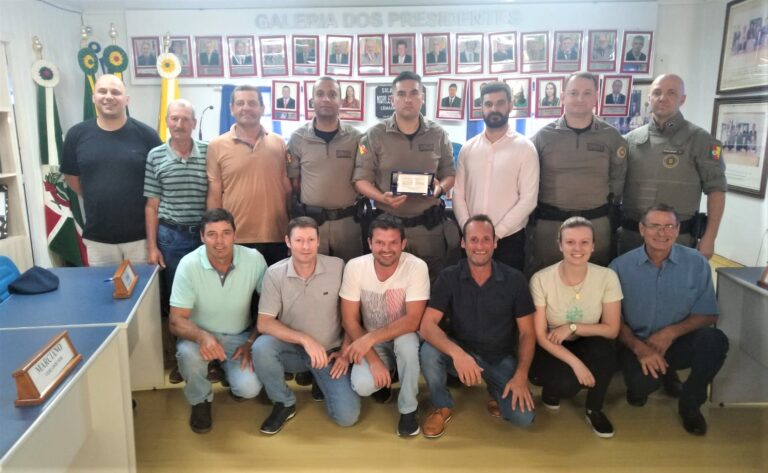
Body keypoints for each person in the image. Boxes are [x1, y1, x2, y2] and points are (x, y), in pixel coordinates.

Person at [610, 204, 728, 436]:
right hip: (638, 344)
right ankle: (660, 376)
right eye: (654, 226)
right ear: (642, 229)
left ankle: (690, 405)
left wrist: (670, 333)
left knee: (715, 340)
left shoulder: (697, 263)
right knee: (640, 388)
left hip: (678, 342)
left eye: (668, 226)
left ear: (678, 229)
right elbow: (614, 321)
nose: (662, 233)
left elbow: (709, 314)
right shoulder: (619, 267)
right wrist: (640, 348)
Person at [419, 215, 536, 438]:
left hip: (498, 357)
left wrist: (521, 376)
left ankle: (495, 391)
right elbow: (427, 326)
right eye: (473, 240)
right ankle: (442, 405)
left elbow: (527, 334)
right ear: (463, 243)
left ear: (495, 242)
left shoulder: (515, 280)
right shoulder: (449, 276)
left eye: (485, 239)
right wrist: (458, 354)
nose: (480, 246)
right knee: (429, 351)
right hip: (460, 353)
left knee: (523, 418)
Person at [251, 217, 360, 434]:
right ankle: (283, 402)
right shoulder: (274, 273)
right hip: (291, 349)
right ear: (288, 242)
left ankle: (320, 379)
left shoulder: (338, 266)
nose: (305, 246)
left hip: (329, 353)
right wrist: (305, 340)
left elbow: (351, 315)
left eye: (311, 240)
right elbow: (264, 323)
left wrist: (345, 349)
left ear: (319, 241)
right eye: (299, 240)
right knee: (261, 347)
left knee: (347, 417)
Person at [169, 208, 267, 434]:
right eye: (212, 234)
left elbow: (269, 309)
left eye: (226, 233)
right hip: (198, 336)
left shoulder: (254, 259)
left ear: (235, 235)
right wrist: (202, 337)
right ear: (202, 237)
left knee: (249, 389)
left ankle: (225, 370)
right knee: (187, 355)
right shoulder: (188, 264)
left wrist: (251, 341)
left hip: (239, 337)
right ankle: (200, 400)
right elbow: (175, 320)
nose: (219, 241)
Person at [353, 71, 456, 280]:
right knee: (389, 286)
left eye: (414, 93)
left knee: (430, 283)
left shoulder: (438, 134)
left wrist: (439, 189)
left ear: (422, 98)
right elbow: (360, 180)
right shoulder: (374, 135)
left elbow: (450, 175)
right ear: (392, 99)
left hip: (428, 230)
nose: (408, 99)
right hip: (388, 231)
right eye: (401, 94)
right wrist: (382, 198)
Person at [529, 217, 622, 438]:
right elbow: (541, 336)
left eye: (584, 242)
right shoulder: (541, 279)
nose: (577, 248)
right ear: (560, 245)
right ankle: (551, 391)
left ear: (593, 245)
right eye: (570, 242)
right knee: (565, 385)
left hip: (587, 339)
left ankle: (594, 409)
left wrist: (571, 327)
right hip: (553, 344)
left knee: (605, 352)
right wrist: (576, 364)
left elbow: (611, 329)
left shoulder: (607, 277)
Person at [528, 72, 627, 275]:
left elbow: (618, 181)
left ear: (596, 97)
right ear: (563, 97)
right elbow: (530, 181)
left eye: (587, 93)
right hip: (551, 226)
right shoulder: (543, 137)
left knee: (595, 280)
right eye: (573, 93)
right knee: (546, 280)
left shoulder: (611, 137)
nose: (580, 98)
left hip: (595, 225)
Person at [340, 215, 430, 437]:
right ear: (370, 243)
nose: (386, 249)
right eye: (380, 242)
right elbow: (349, 320)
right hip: (370, 338)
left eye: (393, 243)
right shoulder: (355, 267)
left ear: (403, 244)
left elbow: (413, 320)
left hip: (404, 334)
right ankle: (389, 373)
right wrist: (374, 361)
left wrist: (368, 340)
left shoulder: (417, 267)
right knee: (362, 385)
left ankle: (408, 409)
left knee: (407, 346)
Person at [618, 74, 726, 258]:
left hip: (678, 240)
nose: (663, 98)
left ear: (682, 99)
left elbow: (717, 191)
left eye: (671, 93)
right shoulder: (630, 141)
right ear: (649, 98)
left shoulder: (702, 141)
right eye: (657, 92)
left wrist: (710, 238)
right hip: (632, 239)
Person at [62, 74, 162, 266]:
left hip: (141, 239)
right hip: (98, 239)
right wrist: (96, 196)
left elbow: (160, 180)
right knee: (102, 286)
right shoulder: (76, 135)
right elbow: (71, 176)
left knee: (144, 286)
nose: (108, 96)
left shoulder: (147, 135)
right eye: (102, 91)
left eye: (115, 92)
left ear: (126, 99)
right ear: (93, 97)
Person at [144, 99, 208, 382]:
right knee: (177, 299)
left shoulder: (209, 152)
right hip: (171, 237)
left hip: (206, 238)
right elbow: (151, 206)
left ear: (194, 123)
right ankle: (182, 360)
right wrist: (152, 246)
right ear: (167, 121)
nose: (179, 124)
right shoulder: (155, 156)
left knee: (207, 298)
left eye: (185, 119)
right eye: (174, 118)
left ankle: (209, 356)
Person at [453, 81, 539, 272]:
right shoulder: (468, 148)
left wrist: (496, 234)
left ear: (510, 106)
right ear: (481, 108)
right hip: (472, 240)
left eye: (500, 103)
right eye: (488, 104)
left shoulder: (525, 148)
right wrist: (469, 230)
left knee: (508, 289)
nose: (494, 109)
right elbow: (458, 195)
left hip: (509, 238)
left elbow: (528, 199)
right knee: (469, 287)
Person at [206, 85, 291, 266]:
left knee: (276, 285)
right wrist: (215, 234)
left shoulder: (278, 143)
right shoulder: (216, 146)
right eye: (240, 103)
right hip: (236, 236)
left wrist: (290, 229)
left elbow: (287, 189)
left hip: (276, 235)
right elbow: (214, 194)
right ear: (232, 108)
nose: (246, 107)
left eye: (252, 103)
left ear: (262, 108)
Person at [288, 77, 364, 262]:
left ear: (341, 101)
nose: (326, 99)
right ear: (312, 100)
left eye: (332, 94)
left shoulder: (357, 138)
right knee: (311, 274)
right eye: (320, 94)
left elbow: (364, 176)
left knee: (350, 273)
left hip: (348, 224)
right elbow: (295, 183)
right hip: (311, 225)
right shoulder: (298, 138)